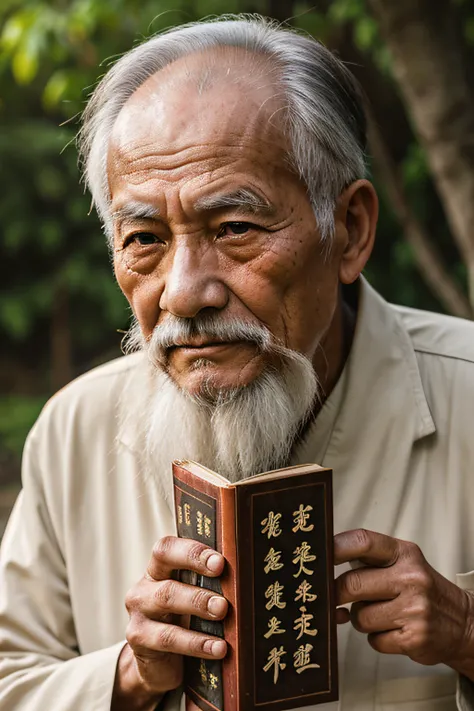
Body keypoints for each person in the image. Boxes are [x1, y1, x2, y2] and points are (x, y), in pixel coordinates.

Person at [1, 14, 474, 711]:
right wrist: (130, 675)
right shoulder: (75, 431)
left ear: (350, 230)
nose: (187, 292)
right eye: (145, 238)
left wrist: (465, 632)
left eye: (235, 228)